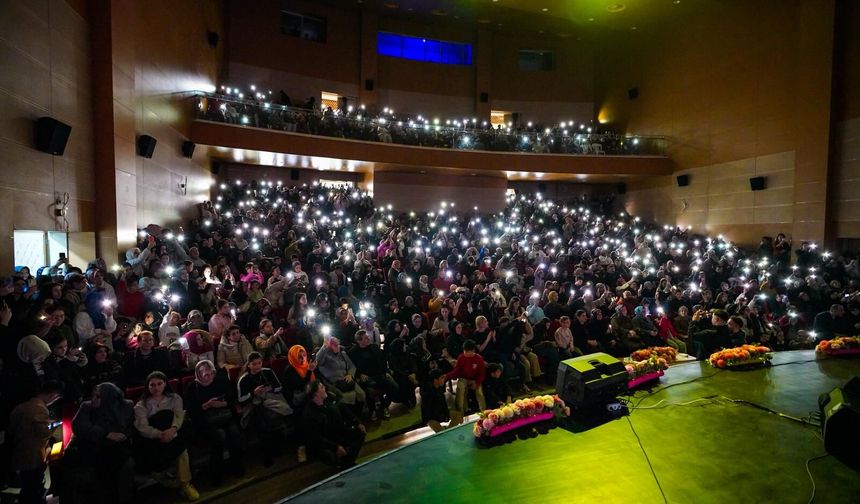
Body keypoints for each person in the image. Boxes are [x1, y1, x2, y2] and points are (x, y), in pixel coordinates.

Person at [65, 382, 135, 504]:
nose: (93, 399)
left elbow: (128, 428)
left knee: (122, 465)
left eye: (98, 396)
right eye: (93, 395)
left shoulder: (126, 406)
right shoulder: (87, 407)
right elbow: (80, 427)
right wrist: (106, 434)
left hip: (118, 447)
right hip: (94, 446)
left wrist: (121, 435)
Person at [133, 371, 199, 500]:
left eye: (159, 384)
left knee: (182, 452)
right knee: (153, 465)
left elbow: (179, 416)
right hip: (153, 439)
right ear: (148, 387)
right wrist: (160, 434)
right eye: (152, 385)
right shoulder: (141, 405)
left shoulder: (174, 398)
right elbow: (143, 427)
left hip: (174, 433)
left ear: (165, 384)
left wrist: (172, 430)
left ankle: (185, 484)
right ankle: (174, 483)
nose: (156, 388)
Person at [184, 360, 245, 484]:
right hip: (205, 421)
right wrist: (206, 406)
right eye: (206, 375)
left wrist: (223, 403)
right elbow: (190, 410)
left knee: (234, 432)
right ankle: (216, 473)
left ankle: (237, 467)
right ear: (199, 374)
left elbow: (232, 397)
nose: (209, 377)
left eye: (211, 373)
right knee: (219, 436)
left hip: (224, 415)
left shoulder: (220, 381)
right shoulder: (192, 387)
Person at [7, 380, 64, 504]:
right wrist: (56, 424)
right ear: (53, 395)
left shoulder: (21, 406)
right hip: (32, 455)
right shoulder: (39, 409)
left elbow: (11, 429)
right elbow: (43, 432)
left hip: (19, 451)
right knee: (34, 487)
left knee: (28, 485)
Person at [236, 352, 291, 466]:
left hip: (269, 400)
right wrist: (253, 393)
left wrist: (269, 388)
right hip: (253, 405)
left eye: (259, 363)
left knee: (273, 417)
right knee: (261, 421)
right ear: (249, 365)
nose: (257, 366)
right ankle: (267, 454)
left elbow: (279, 387)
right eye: (254, 364)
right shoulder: (244, 378)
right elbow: (241, 399)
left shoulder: (267, 372)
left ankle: (277, 448)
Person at [302, 381, 366, 469]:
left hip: (338, 433)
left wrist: (357, 422)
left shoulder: (329, 398)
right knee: (329, 455)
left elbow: (343, 408)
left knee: (360, 433)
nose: (324, 387)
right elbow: (316, 438)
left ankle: (347, 463)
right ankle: (343, 463)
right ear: (316, 393)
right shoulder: (310, 414)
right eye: (321, 387)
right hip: (326, 443)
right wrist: (335, 447)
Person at [348, 329, 399, 420]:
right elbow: (352, 367)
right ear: (359, 341)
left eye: (368, 337)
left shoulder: (374, 347)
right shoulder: (353, 352)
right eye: (366, 338)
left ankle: (384, 406)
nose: (369, 339)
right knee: (370, 392)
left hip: (379, 374)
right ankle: (372, 410)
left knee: (394, 387)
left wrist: (386, 372)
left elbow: (382, 360)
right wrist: (359, 374)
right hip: (366, 378)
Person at [315, 336, 366, 414]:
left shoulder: (342, 353)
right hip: (335, 383)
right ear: (329, 346)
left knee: (361, 394)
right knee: (346, 399)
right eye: (335, 345)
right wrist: (324, 346)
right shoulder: (325, 356)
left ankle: (359, 414)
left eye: (338, 344)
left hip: (347, 380)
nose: (338, 347)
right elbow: (317, 360)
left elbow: (351, 366)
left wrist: (350, 374)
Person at [445, 339, 486, 414]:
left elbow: (482, 374)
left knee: (479, 391)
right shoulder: (461, 357)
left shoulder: (479, 359)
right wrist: (447, 376)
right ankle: (461, 410)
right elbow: (456, 371)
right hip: (464, 378)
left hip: (474, 379)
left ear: (473, 350)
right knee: (460, 388)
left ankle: (483, 410)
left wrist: (477, 383)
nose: (465, 353)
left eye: (467, 351)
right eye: (464, 351)